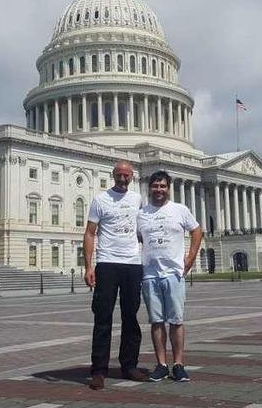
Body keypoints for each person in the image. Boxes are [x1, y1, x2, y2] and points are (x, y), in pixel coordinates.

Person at [83, 160, 146, 390]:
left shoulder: (137, 199)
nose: (122, 179)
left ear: (132, 177)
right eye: (119, 175)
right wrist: (89, 266)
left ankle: (129, 366)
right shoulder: (100, 199)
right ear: (113, 175)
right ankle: (99, 370)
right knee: (103, 318)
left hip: (132, 264)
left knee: (131, 317)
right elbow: (90, 233)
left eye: (126, 175)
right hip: (107, 263)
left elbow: (141, 231)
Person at [137, 170, 203, 382]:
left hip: (173, 273)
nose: (158, 190)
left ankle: (178, 363)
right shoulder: (141, 214)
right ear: (149, 187)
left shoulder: (180, 210)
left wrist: (190, 258)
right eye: (155, 186)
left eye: (162, 186)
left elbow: (197, 230)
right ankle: (161, 364)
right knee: (156, 321)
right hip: (149, 274)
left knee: (176, 320)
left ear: (168, 188)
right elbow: (137, 239)